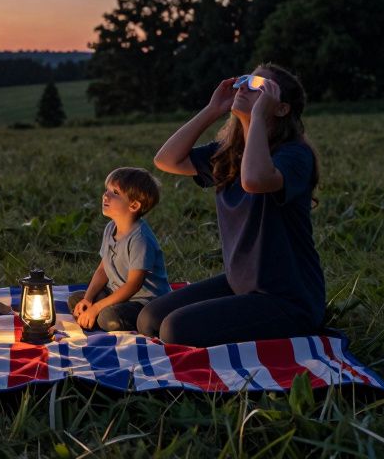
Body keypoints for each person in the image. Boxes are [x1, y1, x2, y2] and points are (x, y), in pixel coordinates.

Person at [140, 63, 324, 346]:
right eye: (246, 80)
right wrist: (213, 109)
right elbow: (167, 160)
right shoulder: (230, 154)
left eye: (259, 86)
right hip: (240, 284)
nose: (244, 88)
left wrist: (257, 118)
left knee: (175, 330)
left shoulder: (295, 155)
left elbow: (254, 180)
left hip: (287, 298)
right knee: (150, 319)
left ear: (281, 108)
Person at [68, 167, 171, 331]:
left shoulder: (140, 239)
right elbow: (103, 269)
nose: (105, 195)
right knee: (76, 300)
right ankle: (96, 312)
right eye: (106, 190)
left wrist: (97, 308)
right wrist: (88, 299)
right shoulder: (111, 228)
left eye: (115, 192)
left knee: (107, 318)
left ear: (134, 205)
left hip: (144, 301)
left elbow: (133, 286)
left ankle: (102, 315)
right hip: (117, 293)